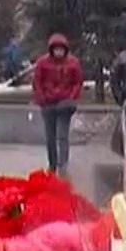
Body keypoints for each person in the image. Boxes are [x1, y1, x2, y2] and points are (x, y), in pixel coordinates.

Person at [32, 34, 84, 174]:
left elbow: (78, 82)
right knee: (50, 137)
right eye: (56, 49)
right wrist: (41, 98)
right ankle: (52, 164)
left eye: (61, 49)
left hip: (64, 104)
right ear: (52, 50)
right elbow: (37, 82)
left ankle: (63, 165)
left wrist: (71, 98)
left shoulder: (73, 63)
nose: (59, 52)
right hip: (48, 104)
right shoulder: (43, 63)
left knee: (62, 136)